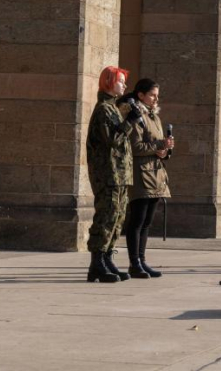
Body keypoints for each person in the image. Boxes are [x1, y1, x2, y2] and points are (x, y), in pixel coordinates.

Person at [85, 66, 142, 283]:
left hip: (118, 174)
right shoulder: (103, 110)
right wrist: (129, 122)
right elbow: (113, 140)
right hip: (107, 174)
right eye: (120, 81)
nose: (125, 85)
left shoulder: (113, 108)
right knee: (106, 216)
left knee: (118, 218)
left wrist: (127, 117)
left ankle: (107, 258)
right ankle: (97, 263)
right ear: (109, 82)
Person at [118, 78, 174, 278]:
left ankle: (142, 260)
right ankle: (134, 263)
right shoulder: (134, 114)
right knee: (137, 220)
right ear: (140, 95)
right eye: (152, 95)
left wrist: (166, 149)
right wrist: (159, 146)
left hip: (156, 173)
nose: (155, 99)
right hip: (141, 173)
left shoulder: (154, 116)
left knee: (148, 222)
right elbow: (135, 146)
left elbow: (157, 146)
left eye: (157, 96)